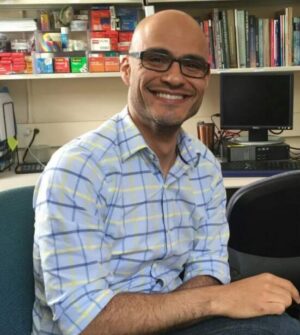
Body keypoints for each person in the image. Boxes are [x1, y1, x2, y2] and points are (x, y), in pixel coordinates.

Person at [32, 9, 300, 335]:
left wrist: (177, 310)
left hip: (182, 325)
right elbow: (87, 321)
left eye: (192, 65)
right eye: (157, 59)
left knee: (281, 324)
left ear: (205, 78)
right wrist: (214, 301)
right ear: (126, 69)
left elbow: (209, 267)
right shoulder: (76, 171)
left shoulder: (204, 165)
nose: (175, 78)